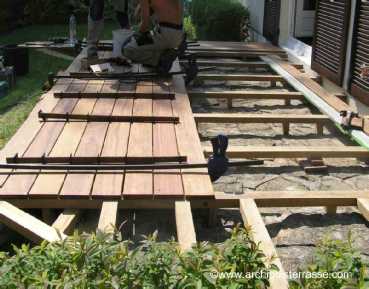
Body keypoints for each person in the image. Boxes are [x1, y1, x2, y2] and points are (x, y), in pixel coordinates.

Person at [123, 0, 183, 71]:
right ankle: (164, 54)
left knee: (126, 49)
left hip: (166, 35)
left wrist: (135, 36)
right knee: (145, 40)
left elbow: (145, 25)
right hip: (179, 35)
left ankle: (160, 60)